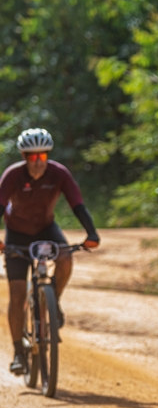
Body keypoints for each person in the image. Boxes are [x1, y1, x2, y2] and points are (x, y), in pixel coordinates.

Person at [0, 128, 100, 375]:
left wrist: (92, 234)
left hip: (46, 229)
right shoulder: (13, 175)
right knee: (17, 294)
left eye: (42, 156)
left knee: (65, 257)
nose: (38, 163)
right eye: (32, 157)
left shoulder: (59, 173)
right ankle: (18, 353)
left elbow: (77, 204)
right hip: (17, 233)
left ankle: (53, 300)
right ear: (24, 157)